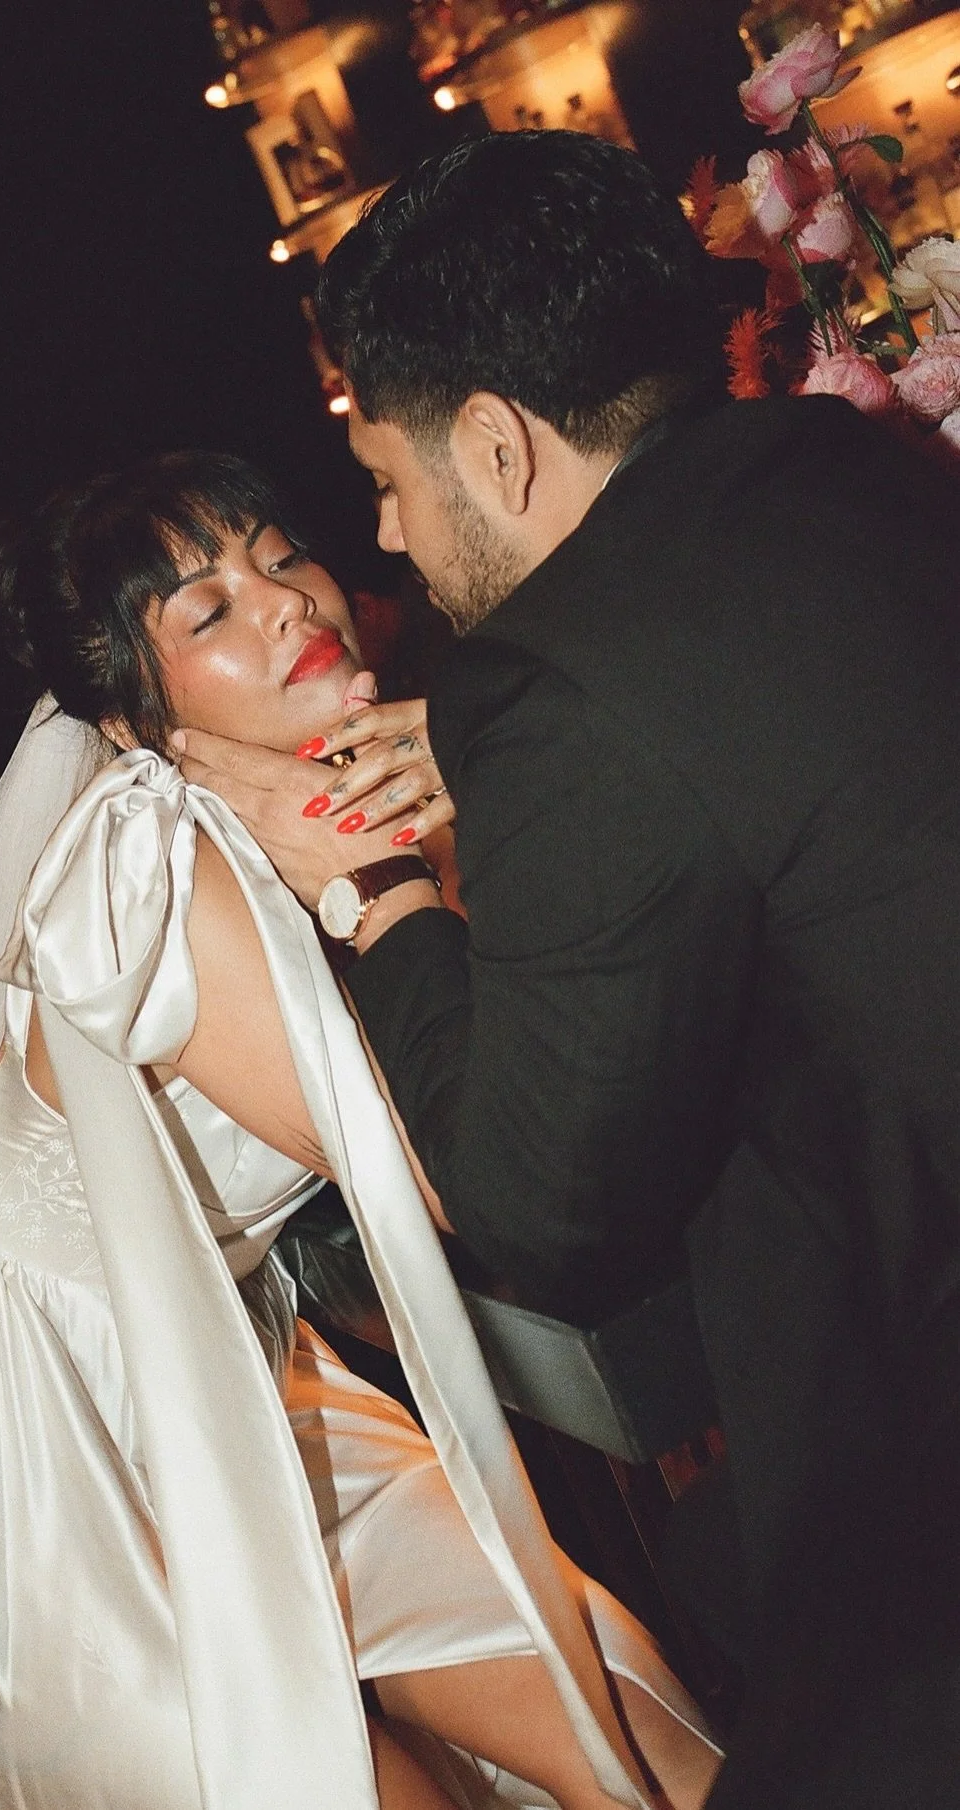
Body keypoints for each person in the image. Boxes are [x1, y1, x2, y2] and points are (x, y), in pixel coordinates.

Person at [0, 452, 721, 1810]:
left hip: (226, 1379)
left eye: (278, 555)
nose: (281, 601)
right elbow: (473, 1174)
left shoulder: (372, 788)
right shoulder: (153, 866)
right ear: (139, 724)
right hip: (36, 1452)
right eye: (205, 610)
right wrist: (390, 881)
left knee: (617, 1712)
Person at [173, 133, 960, 1809]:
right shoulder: (856, 474)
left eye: (380, 479)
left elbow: (546, 1208)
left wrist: (376, 894)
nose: (374, 537)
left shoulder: (558, 684)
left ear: (497, 444)